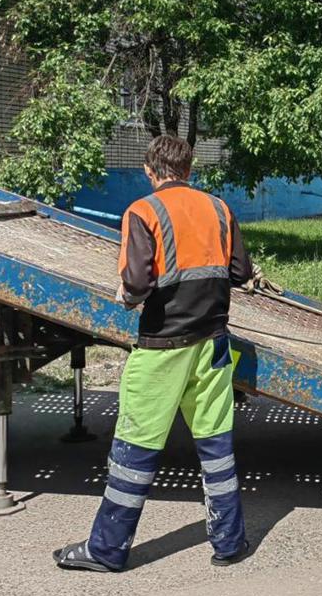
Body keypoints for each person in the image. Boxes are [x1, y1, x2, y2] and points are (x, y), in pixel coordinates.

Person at [54, 134, 253, 572]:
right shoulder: (220, 208)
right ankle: (229, 543)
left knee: (136, 447)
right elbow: (240, 272)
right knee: (216, 445)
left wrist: (124, 295)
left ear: (150, 171)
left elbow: (138, 283)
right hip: (213, 343)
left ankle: (106, 550)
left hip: (163, 346)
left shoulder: (142, 211)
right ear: (189, 169)